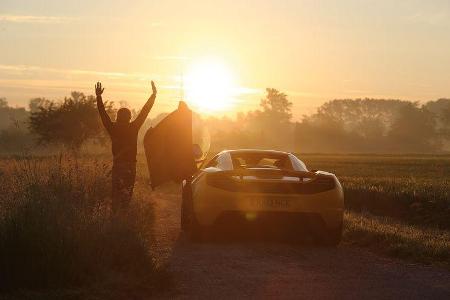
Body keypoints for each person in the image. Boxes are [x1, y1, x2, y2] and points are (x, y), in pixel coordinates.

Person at [95, 81, 157, 212]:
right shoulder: (133, 127)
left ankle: (115, 219)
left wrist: (99, 97)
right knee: (127, 195)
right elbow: (145, 112)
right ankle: (124, 218)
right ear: (129, 117)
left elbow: (103, 115)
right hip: (130, 166)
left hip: (118, 166)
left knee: (115, 195)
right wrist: (153, 95)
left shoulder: (113, 128)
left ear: (117, 117)